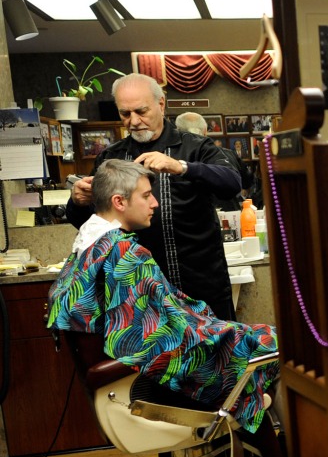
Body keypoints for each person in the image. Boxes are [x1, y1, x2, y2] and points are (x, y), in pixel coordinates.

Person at [48, 159, 288, 457]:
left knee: (250, 346)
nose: (155, 203)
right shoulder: (123, 254)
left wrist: (214, 326)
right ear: (119, 202)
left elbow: (156, 320)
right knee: (269, 350)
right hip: (144, 379)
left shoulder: (89, 246)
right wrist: (226, 332)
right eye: (146, 195)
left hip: (126, 378)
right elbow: (153, 336)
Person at [65, 73, 241, 321]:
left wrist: (183, 167)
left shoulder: (196, 147)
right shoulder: (111, 158)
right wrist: (78, 201)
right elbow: (93, 222)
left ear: (161, 104)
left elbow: (232, 184)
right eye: (125, 114)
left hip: (201, 286)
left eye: (141, 111)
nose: (134, 121)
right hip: (138, 292)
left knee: (214, 356)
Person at [174, 111, 250, 208]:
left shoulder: (172, 158)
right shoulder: (228, 154)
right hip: (228, 209)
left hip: (190, 212)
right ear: (205, 131)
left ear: (177, 131)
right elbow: (246, 181)